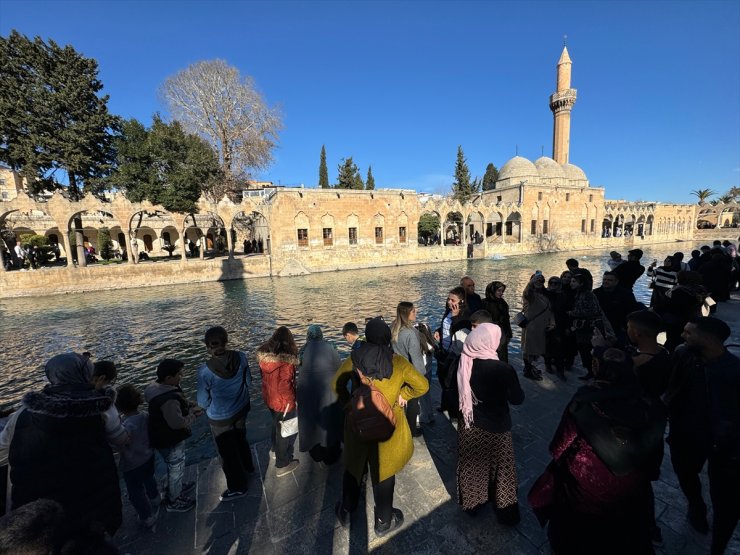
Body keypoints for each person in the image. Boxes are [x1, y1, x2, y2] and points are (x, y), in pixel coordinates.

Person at [528, 347, 666, 555]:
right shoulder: (651, 404)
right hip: (631, 483)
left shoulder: (585, 401)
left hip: (586, 483)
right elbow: (656, 451)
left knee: (581, 530)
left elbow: (560, 445)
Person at [0, 353, 127, 537]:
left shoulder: (23, 413)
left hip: (39, 505)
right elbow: (121, 440)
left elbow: (3, 450)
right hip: (92, 496)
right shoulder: (101, 407)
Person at [333, 318, 429, 536]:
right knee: (384, 470)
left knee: (353, 468)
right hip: (388, 424)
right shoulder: (398, 362)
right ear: (387, 338)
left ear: (367, 335)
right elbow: (422, 385)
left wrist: (349, 403)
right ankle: (384, 520)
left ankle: (347, 511)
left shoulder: (354, 357)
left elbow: (335, 384)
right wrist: (404, 394)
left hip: (358, 423)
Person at [664, 317, 740, 554]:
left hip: (726, 445)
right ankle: (696, 505)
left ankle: (718, 544)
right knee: (685, 471)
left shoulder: (734, 371)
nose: (683, 336)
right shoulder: (682, 354)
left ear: (708, 338)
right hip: (686, 432)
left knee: (726, 501)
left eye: (689, 333)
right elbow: (672, 385)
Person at [456, 323, 524, 523]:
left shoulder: (463, 363)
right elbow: (517, 399)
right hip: (497, 425)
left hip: (470, 426)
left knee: (473, 465)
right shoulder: (503, 369)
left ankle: (473, 505)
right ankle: (505, 512)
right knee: (502, 469)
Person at [196, 326, 254, 501]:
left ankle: (237, 487)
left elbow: (202, 402)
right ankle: (248, 467)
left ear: (208, 347)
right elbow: (249, 382)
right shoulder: (242, 357)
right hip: (242, 408)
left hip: (220, 418)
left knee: (227, 453)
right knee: (241, 439)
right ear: (226, 342)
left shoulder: (205, 371)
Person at [145, 359, 200, 512]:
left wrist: (187, 404)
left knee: (171, 465)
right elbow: (177, 423)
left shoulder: (155, 389)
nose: (181, 377)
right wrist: (193, 415)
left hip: (160, 437)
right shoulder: (168, 399)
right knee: (176, 466)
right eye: (179, 375)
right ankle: (174, 500)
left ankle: (173, 486)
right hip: (171, 439)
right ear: (168, 378)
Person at [257, 326, 300, 476]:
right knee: (284, 430)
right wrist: (293, 400)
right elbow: (287, 382)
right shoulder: (287, 360)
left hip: (269, 397)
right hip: (284, 400)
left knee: (276, 423)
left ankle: (275, 449)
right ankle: (282, 464)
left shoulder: (264, 357)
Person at [297, 324, 343, 465]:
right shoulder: (331, 346)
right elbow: (339, 367)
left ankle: (316, 453)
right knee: (330, 420)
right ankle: (331, 454)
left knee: (311, 421)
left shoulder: (303, 350)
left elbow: (300, 368)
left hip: (307, 391)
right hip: (328, 389)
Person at [115, 384, 160, 527]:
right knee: (149, 478)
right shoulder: (145, 416)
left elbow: (122, 442)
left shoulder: (125, 425)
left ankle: (146, 516)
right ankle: (155, 497)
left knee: (135, 490)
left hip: (132, 463)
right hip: (149, 456)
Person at [392, 302, 433, 435]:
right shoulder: (410, 333)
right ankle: (412, 430)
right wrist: (421, 376)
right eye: (413, 311)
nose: (416, 313)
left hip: (395, 370)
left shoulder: (393, 328)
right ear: (406, 314)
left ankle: (400, 428)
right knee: (412, 402)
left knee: (399, 402)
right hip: (408, 371)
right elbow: (416, 357)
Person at [569, 272, 614, 380]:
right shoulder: (580, 293)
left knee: (589, 351)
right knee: (585, 351)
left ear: (581, 283)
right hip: (584, 329)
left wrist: (572, 313)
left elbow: (593, 311)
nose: (571, 283)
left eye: (574, 281)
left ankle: (596, 374)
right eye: (571, 281)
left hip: (588, 329)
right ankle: (591, 372)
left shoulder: (587, 294)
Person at [434, 286, 471, 415]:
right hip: (444, 350)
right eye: (449, 299)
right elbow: (444, 325)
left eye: (453, 300)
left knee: (452, 382)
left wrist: (455, 317)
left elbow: (462, 333)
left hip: (455, 354)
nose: (449, 302)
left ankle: (455, 410)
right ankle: (445, 404)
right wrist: (438, 331)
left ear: (461, 301)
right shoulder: (448, 311)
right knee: (442, 378)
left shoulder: (465, 315)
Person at [521, 272, 554, 381]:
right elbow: (527, 291)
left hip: (541, 327)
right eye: (537, 281)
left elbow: (549, 310)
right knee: (529, 350)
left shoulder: (543, 294)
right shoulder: (529, 294)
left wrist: (552, 323)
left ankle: (530, 368)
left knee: (535, 350)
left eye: (541, 281)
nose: (539, 283)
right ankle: (528, 370)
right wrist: (533, 280)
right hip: (532, 326)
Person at [593, 271, 639, 344]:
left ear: (616, 281)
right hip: (600, 327)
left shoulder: (626, 294)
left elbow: (633, 311)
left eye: (609, 280)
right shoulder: (595, 293)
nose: (606, 281)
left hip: (620, 327)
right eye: (604, 279)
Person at [544, 275, 569, 381]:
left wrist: (567, 327)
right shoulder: (544, 295)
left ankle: (560, 371)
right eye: (551, 283)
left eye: (556, 283)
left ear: (560, 285)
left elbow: (567, 313)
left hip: (559, 326)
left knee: (560, 350)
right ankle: (548, 365)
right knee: (546, 347)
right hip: (546, 325)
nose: (553, 285)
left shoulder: (563, 296)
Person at [482, 281, 512, 363]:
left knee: (502, 354)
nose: (501, 293)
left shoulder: (503, 303)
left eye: (502, 291)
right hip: (487, 333)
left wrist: (508, 334)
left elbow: (506, 319)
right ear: (493, 290)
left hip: (501, 333)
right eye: (499, 291)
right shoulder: (484, 303)